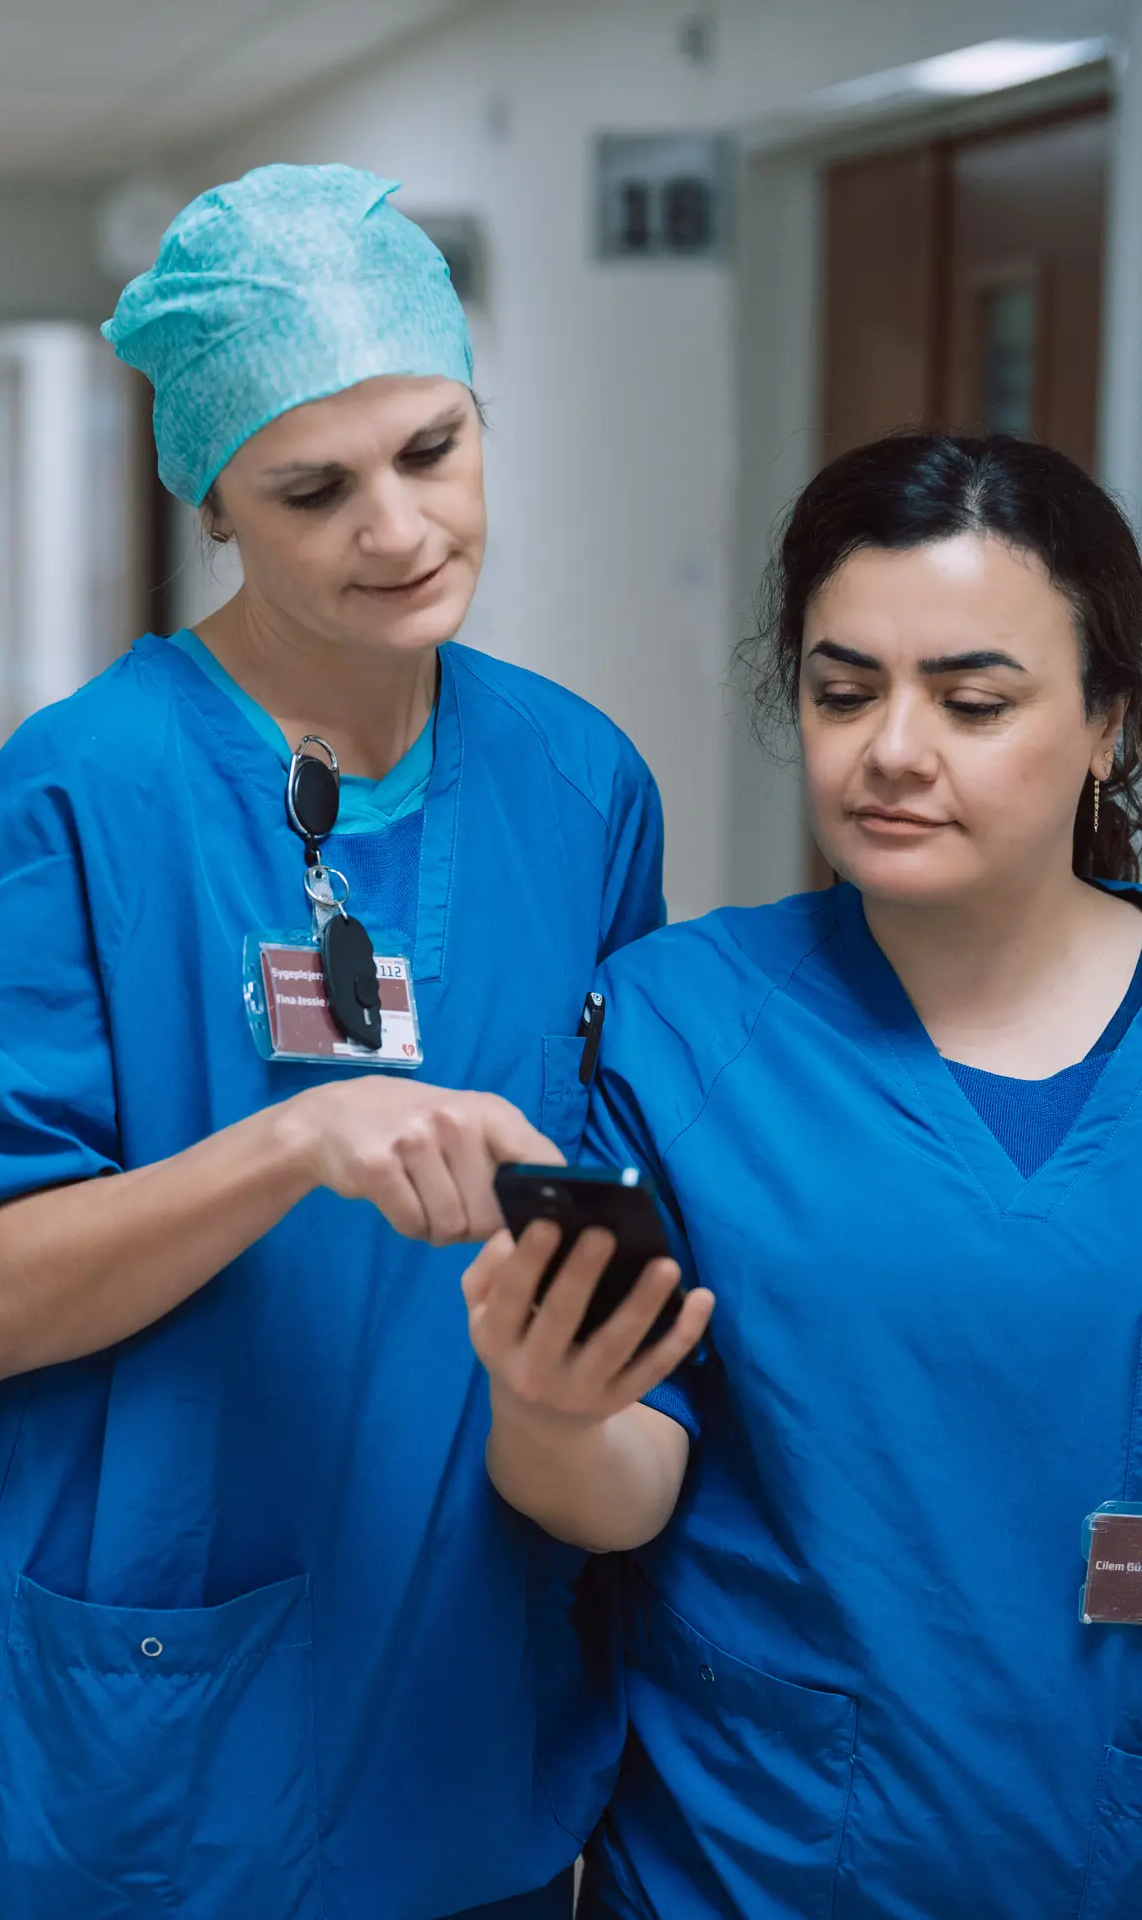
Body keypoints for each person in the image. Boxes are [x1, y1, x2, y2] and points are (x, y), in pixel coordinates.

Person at [0, 164, 696, 1920]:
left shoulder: (580, 784)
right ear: (214, 500)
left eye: (432, 452)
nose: (396, 531)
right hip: (172, 1717)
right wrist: (290, 1144)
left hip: (479, 1662)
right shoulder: (76, 802)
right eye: (313, 490)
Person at [465, 432, 1142, 1917]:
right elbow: (613, 1486)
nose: (893, 750)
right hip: (768, 1858)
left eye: (973, 701)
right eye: (844, 693)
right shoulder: (681, 1028)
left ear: (1107, 725)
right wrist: (547, 1407)